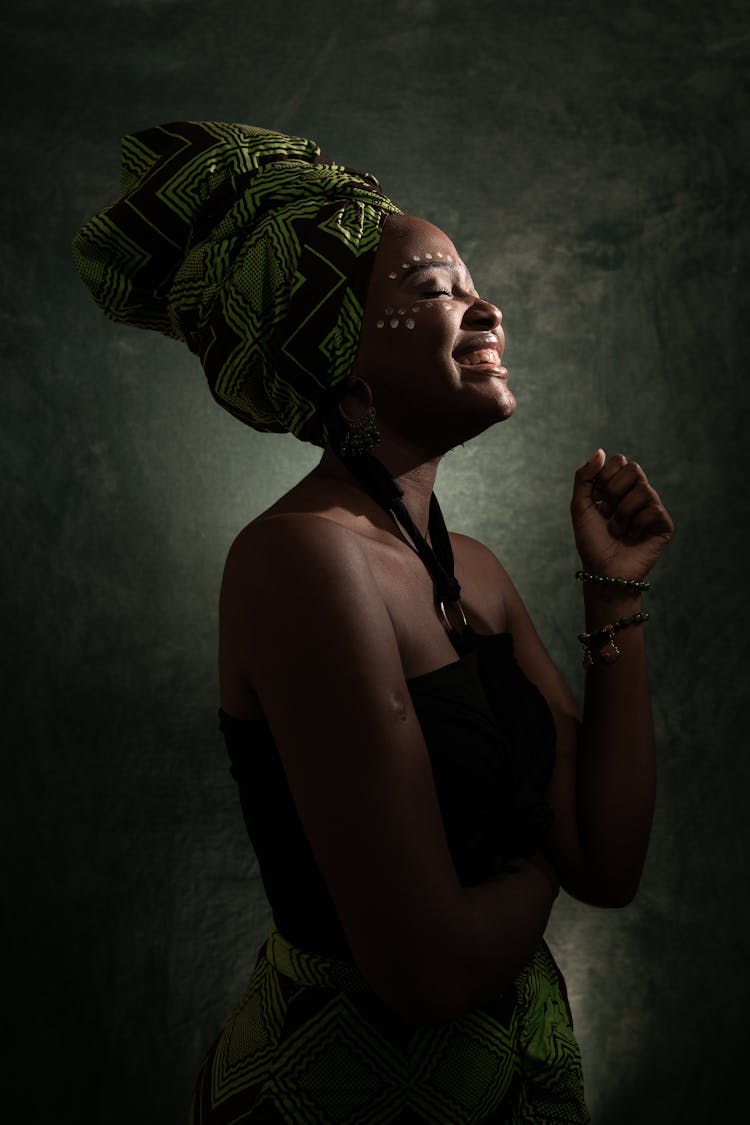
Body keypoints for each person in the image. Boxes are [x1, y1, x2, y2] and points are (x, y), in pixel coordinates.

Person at [73, 121, 673, 1124]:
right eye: (434, 290)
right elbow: (428, 969)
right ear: (336, 359)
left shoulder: (470, 569)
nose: (486, 308)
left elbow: (608, 860)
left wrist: (612, 596)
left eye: (470, 284)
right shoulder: (302, 561)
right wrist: (540, 856)